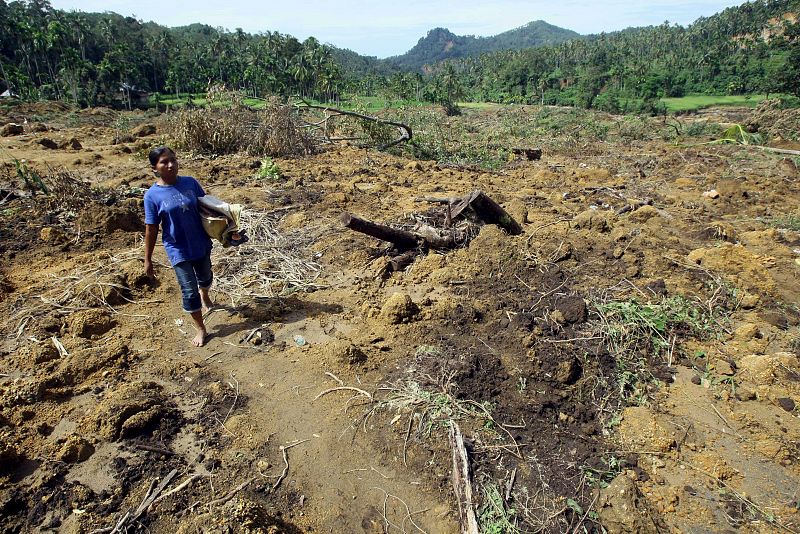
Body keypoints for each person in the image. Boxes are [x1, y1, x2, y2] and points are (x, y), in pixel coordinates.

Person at [143, 147, 214, 347]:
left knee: (206, 276)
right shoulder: (152, 196)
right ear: (154, 168)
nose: (171, 165)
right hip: (177, 248)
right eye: (164, 162)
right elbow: (151, 229)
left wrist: (226, 230)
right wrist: (147, 259)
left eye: (173, 160)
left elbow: (207, 208)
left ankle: (205, 293)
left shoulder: (190, 183)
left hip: (200, 242)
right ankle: (201, 328)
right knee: (189, 291)